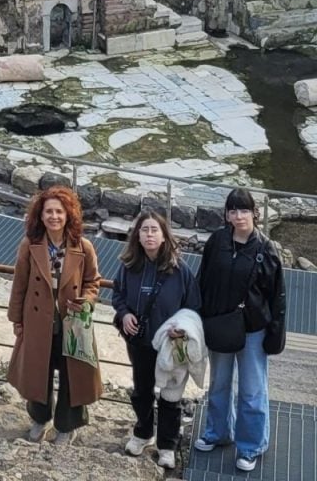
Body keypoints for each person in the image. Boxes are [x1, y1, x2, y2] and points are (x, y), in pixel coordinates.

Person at [195, 188, 286, 474]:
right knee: (219, 384)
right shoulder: (217, 241)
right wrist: (196, 316)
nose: (238, 216)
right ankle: (217, 433)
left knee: (252, 391)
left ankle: (250, 446)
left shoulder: (266, 249)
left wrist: (275, 334)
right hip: (219, 324)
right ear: (226, 214)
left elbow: (278, 296)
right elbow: (202, 280)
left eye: (244, 210)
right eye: (233, 210)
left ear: (254, 213)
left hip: (253, 329)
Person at [7, 185, 103, 444]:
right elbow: (20, 284)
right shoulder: (30, 245)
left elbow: (93, 282)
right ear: (40, 216)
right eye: (48, 211)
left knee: (73, 378)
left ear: (68, 214)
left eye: (59, 211)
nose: (54, 216)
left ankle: (66, 426)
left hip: (72, 323)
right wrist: (16, 320)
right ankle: (39, 420)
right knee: (38, 373)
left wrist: (87, 301)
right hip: (39, 321)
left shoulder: (84, 246)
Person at [113, 211, 201, 470]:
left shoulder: (180, 270)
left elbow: (193, 306)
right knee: (141, 390)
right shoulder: (129, 266)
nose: (149, 234)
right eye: (144, 230)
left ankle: (167, 445)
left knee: (171, 395)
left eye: (154, 230)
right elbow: (118, 294)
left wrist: (181, 328)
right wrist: (124, 313)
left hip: (170, 345)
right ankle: (142, 433)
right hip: (139, 341)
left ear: (164, 236)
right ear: (137, 236)